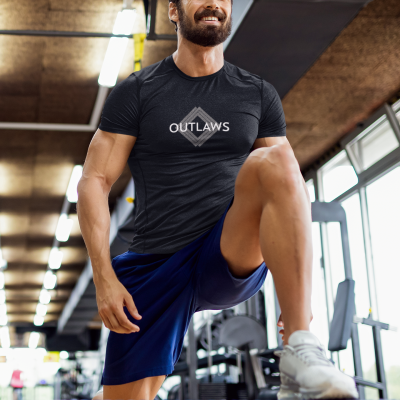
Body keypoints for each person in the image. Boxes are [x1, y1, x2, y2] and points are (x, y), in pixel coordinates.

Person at [77, 0, 359, 399]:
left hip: (225, 250)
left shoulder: (257, 93)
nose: (213, 2)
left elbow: (287, 185)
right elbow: (94, 181)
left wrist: (299, 303)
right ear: (173, 11)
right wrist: (104, 277)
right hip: (156, 261)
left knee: (278, 158)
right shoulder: (137, 92)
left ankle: (299, 349)